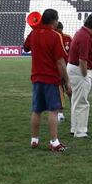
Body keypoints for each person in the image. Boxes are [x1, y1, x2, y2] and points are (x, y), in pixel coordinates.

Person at [23, 9, 72, 152]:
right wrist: (67, 80)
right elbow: (60, 62)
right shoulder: (55, 36)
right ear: (54, 21)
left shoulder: (33, 33)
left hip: (37, 77)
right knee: (53, 110)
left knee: (36, 110)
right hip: (51, 79)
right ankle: (54, 142)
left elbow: (25, 47)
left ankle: (34, 139)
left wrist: (35, 31)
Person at [67, 14, 92, 138]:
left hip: (73, 68)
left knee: (76, 101)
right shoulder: (85, 37)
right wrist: (85, 75)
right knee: (82, 102)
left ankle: (74, 128)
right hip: (79, 70)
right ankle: (80, 132)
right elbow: (83, 60)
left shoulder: (80, 33)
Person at [55, 21, 73, 123]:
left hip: (68, 68)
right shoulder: (53, 37)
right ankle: (60, 113)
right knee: (59, 92)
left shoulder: (68, 38)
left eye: (59, 31)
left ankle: (74, 110)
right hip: (57, 70)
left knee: (70, 91)